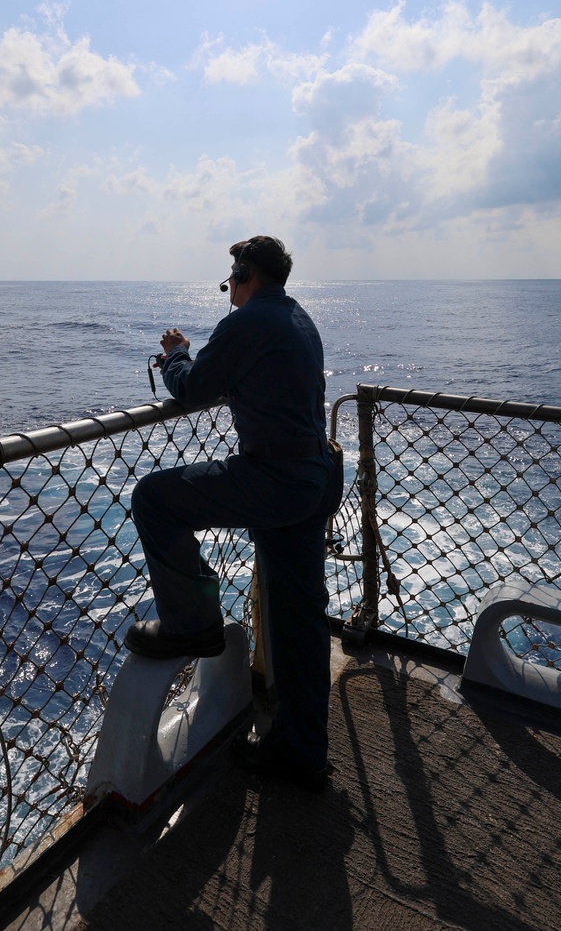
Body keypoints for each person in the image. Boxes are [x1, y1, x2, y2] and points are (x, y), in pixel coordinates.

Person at [127, 235, 343, 791]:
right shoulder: (299, 319)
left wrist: (176, 353)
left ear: (245, 273)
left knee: (153, 498)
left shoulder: (247, 323)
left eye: (232, 276)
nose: (231, 287)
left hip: (272, 480)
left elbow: (193, 389)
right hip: (310, 479)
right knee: (300, 619)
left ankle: (192, 623)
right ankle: (302, 751)